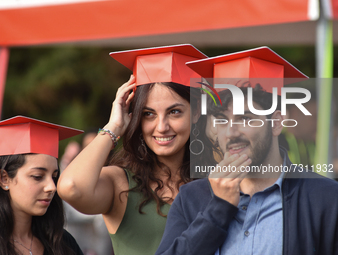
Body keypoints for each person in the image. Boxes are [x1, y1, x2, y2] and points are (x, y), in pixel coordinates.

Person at [155, 47, 338, 255]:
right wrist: (218, 209)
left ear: (277, 123)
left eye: (245, 118)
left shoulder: (326, 199)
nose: (231, 133)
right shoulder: (192, 198)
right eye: (221, 119)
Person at [57, 44, 208, 255]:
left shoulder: (214, 181)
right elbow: (71, 187)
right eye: (148, 114)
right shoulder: (121, 183)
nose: (161, 127)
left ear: (196, 114)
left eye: (174, 112)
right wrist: (114, 127)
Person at [0, 115, 84, 255]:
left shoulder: (62, 242)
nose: (52, 187)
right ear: (4, 179)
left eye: (54, 177)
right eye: (37, 177)